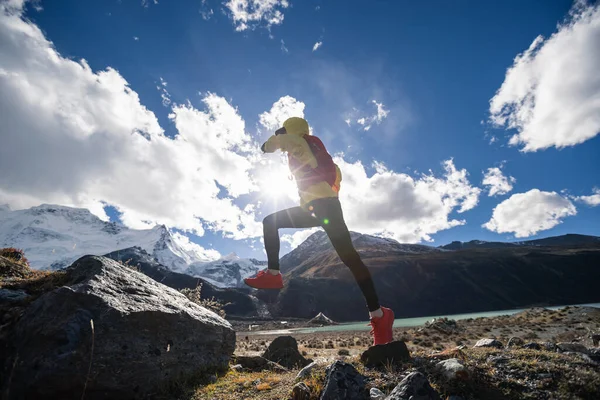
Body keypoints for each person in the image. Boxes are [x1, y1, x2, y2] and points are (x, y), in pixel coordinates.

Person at [244, 117, 394, 346]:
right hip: (327, 207)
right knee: (352, 261)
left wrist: (267, 146)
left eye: (285, 131)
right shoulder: (319, 153)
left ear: (292, 130)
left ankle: (273, 274)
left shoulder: (300, 141)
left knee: (270, 221)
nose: (283, 136)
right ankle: (379, 316)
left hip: (318, 207)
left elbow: (278, 142)